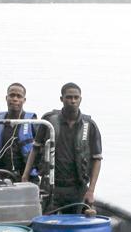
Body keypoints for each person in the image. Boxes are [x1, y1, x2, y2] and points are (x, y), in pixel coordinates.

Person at [25, 82, 102, 214]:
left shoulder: (89, 125)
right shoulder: (48, 121)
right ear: (62, 99)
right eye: (69, 97)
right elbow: (35, 148)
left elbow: (97, 159)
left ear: (80, 99)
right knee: (48, 222)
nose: (73, 101)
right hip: (51, 186)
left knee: (76, 225)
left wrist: (91, 190)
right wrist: (25, 175)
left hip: (77, 188)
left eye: (76, 98)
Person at [0, 82, 39, 181]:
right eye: (12, 95)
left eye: (19, 96)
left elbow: (40, 149)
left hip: (26, 176)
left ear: (24, 100)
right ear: (6, 98)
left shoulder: (33, 122)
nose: (15, 99)